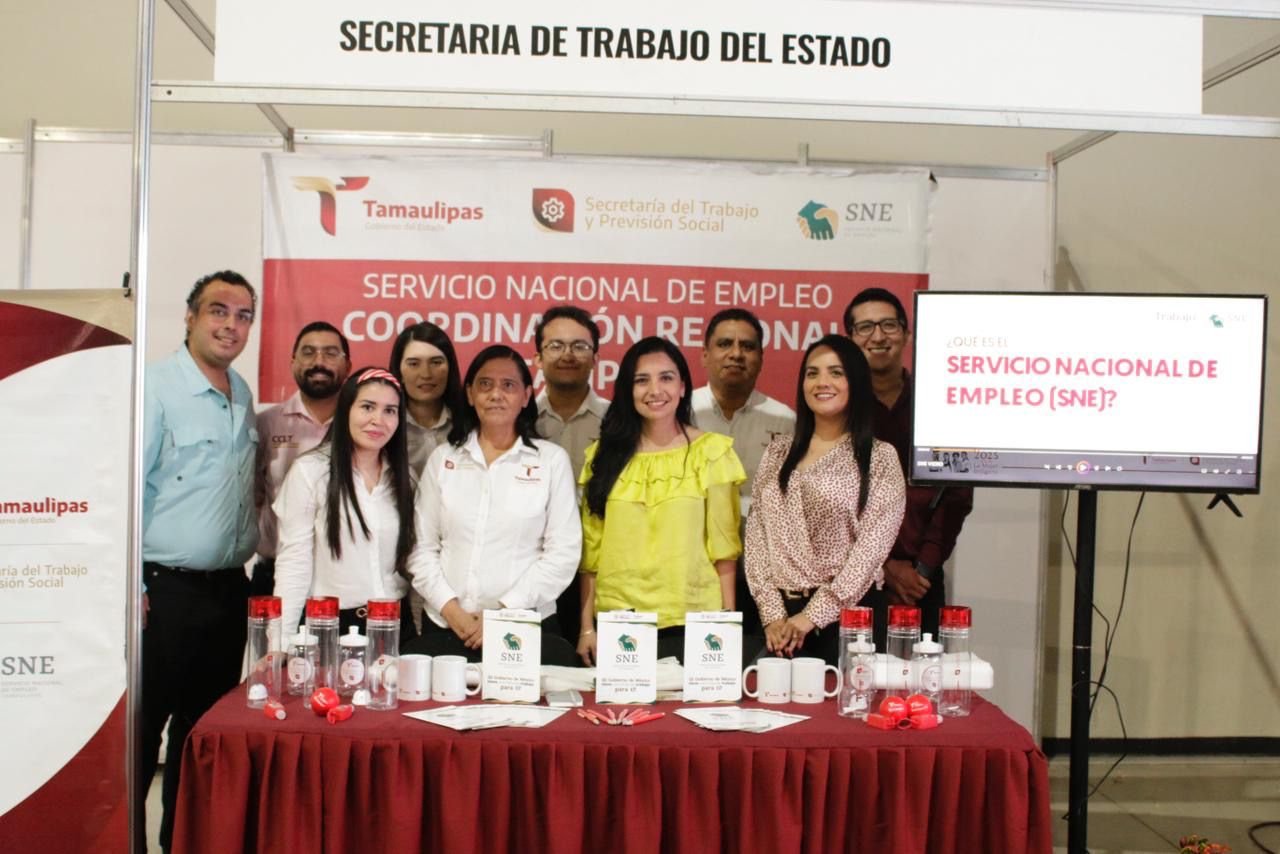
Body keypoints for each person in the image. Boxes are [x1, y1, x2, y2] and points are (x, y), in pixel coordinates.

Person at [139, 270, 259, 853]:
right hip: (163, 592)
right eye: (218, 310)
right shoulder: (154, 387)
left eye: (243, 315)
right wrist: (130, 586)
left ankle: (179, 846)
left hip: (226, 592)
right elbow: (125, 490)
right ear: (189, 316)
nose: (231, 325)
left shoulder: (242, 392)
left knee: (200, 738)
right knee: (143, 735)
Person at [406, 345, 581, 666]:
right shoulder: (443, 458)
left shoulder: (551, 461)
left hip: (525, 627)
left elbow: (563, 554)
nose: (496, 394)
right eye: (485, 384)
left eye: (508, 385)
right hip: (447, 627)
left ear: (526, 396)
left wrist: (502, 613)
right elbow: (421, 548)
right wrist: (452, 611)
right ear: (470, 394)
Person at [578, 337, 746, 665]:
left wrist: (726, 627)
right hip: (620, 620)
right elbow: (591, 555)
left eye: (666, 378)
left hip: (693, 620)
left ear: (683, 387)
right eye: (642, 380)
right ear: (628, 390)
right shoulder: (603, 456)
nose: (655, 390)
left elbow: (724, 551)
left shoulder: (712, 453)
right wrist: (586, 628)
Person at [744, 335, 906, 666]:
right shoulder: (778, 452)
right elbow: (757, 536)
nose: (822, 382)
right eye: (812, 373)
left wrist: (812, 617)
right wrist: (772, 615)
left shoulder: (879, 457)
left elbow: (869, 553)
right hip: (779, 625)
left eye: (836, 372)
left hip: (848, 620)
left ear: (856, 383)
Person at [844, 287, 974, 646]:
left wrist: (921, 570)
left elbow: (957, 494)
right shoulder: (839, 409)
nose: (878, 336)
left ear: (906, 334)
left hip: (921, 582)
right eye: (866, 327)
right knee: (853, 673)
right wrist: (884, 567)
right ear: (851, 339)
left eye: (888, 325)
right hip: (851, 580)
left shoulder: (939, 403)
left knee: (922, 676)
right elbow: (831, 505)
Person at [272, 367, 417, 638]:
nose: (378, 420)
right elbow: (294, 562)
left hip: (396, 623)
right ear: (346, 410)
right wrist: (280, 640)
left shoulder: (405, 478)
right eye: (367, 407)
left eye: (390, 411)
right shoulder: (311, 471)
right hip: (330, 625)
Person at [691, 307, 795, 642]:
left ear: (761, 358)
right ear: (705, 355)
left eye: (747, 346)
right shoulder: (681, 412)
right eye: (725, 344)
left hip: (762, 578)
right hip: (693, 572)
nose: (736, 354)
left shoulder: (785, 421)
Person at [252, 321, 351, 596]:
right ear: (293, 362)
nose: (319, 361)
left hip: (344, 581)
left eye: (331, 353)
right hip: (275, 574)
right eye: (308, 352)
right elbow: (251, 499)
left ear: (348, 366)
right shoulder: (266, 424)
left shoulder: (364, 425)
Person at [532, 304, 610, 645]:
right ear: (538, 358)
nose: (568, 354)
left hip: (600, 571)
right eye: (556, 345)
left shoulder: (617, 422)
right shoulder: (519, 420)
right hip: (534, 569)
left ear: (595, 358)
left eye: (579, 346)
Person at [388, 321, 466, 476]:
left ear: (450, 368)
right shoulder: (385, 423)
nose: (426, 374)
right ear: (399, 371)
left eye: (436, 362)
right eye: (414, 364)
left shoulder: (470, 423)